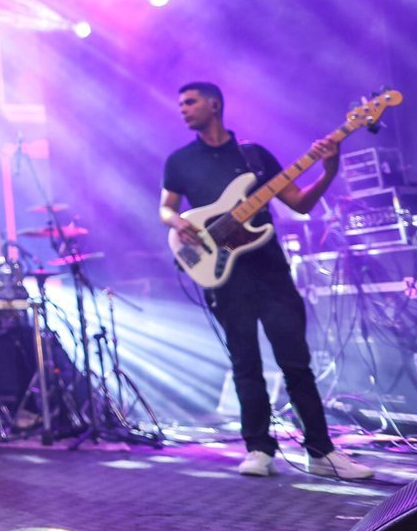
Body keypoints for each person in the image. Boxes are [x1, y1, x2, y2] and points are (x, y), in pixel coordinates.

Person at [160, 81, 373, 480]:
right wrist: (177, 223)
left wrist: (330, 169)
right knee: (245, 364)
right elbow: (166, 208)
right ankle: (258, 448)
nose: (183, 109)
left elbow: (301, 203)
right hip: (223, 273)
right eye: (181, 103)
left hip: (270, 271)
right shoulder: (179, 161)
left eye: (190, 102)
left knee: (296, 362)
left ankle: (321, 452)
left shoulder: (254, 156)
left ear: (214, 105)